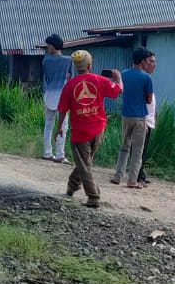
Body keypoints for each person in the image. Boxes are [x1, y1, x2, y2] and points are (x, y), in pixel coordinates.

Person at [59, 50, 122, 208]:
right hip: (98, 128)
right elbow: (118, 90)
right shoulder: (99, 80)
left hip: (81, 132)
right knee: (85, 163)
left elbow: (62, 110)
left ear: (76, 66)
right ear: (89, 65)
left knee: (85, 164)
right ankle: (72, 185)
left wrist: (59, 127)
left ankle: (93, 197)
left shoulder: (70, 85)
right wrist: (118, 78)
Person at [111, 47, 155, 188]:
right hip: (140, 116)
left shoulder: (124, 74)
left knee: (124, 147)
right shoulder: (146, 77)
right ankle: (132, 180)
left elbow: (121, 90)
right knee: (137, 150)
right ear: (143, 61)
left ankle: (118, 176)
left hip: (126, 114)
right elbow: (149, 100)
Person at [40, 34, 72, 163]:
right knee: (63, 125)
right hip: (62, 96)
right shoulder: (69, 60)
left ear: (53, 46)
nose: (47, 48)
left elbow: (47, 78)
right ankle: (60, 154)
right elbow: (70, 78)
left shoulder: (46, 61)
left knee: (48, 125)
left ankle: (47, 152)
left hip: (49, 94)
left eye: (48, 45)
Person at [137, 92, 155, 186]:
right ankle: (138, 176)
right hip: (145, 123)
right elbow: (142, 107)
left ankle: (141, 174)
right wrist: (145, 123)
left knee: (143, 151)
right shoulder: (144, 91)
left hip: (149, 123)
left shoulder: (149, 89)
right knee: (140, 151)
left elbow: (153, 107)